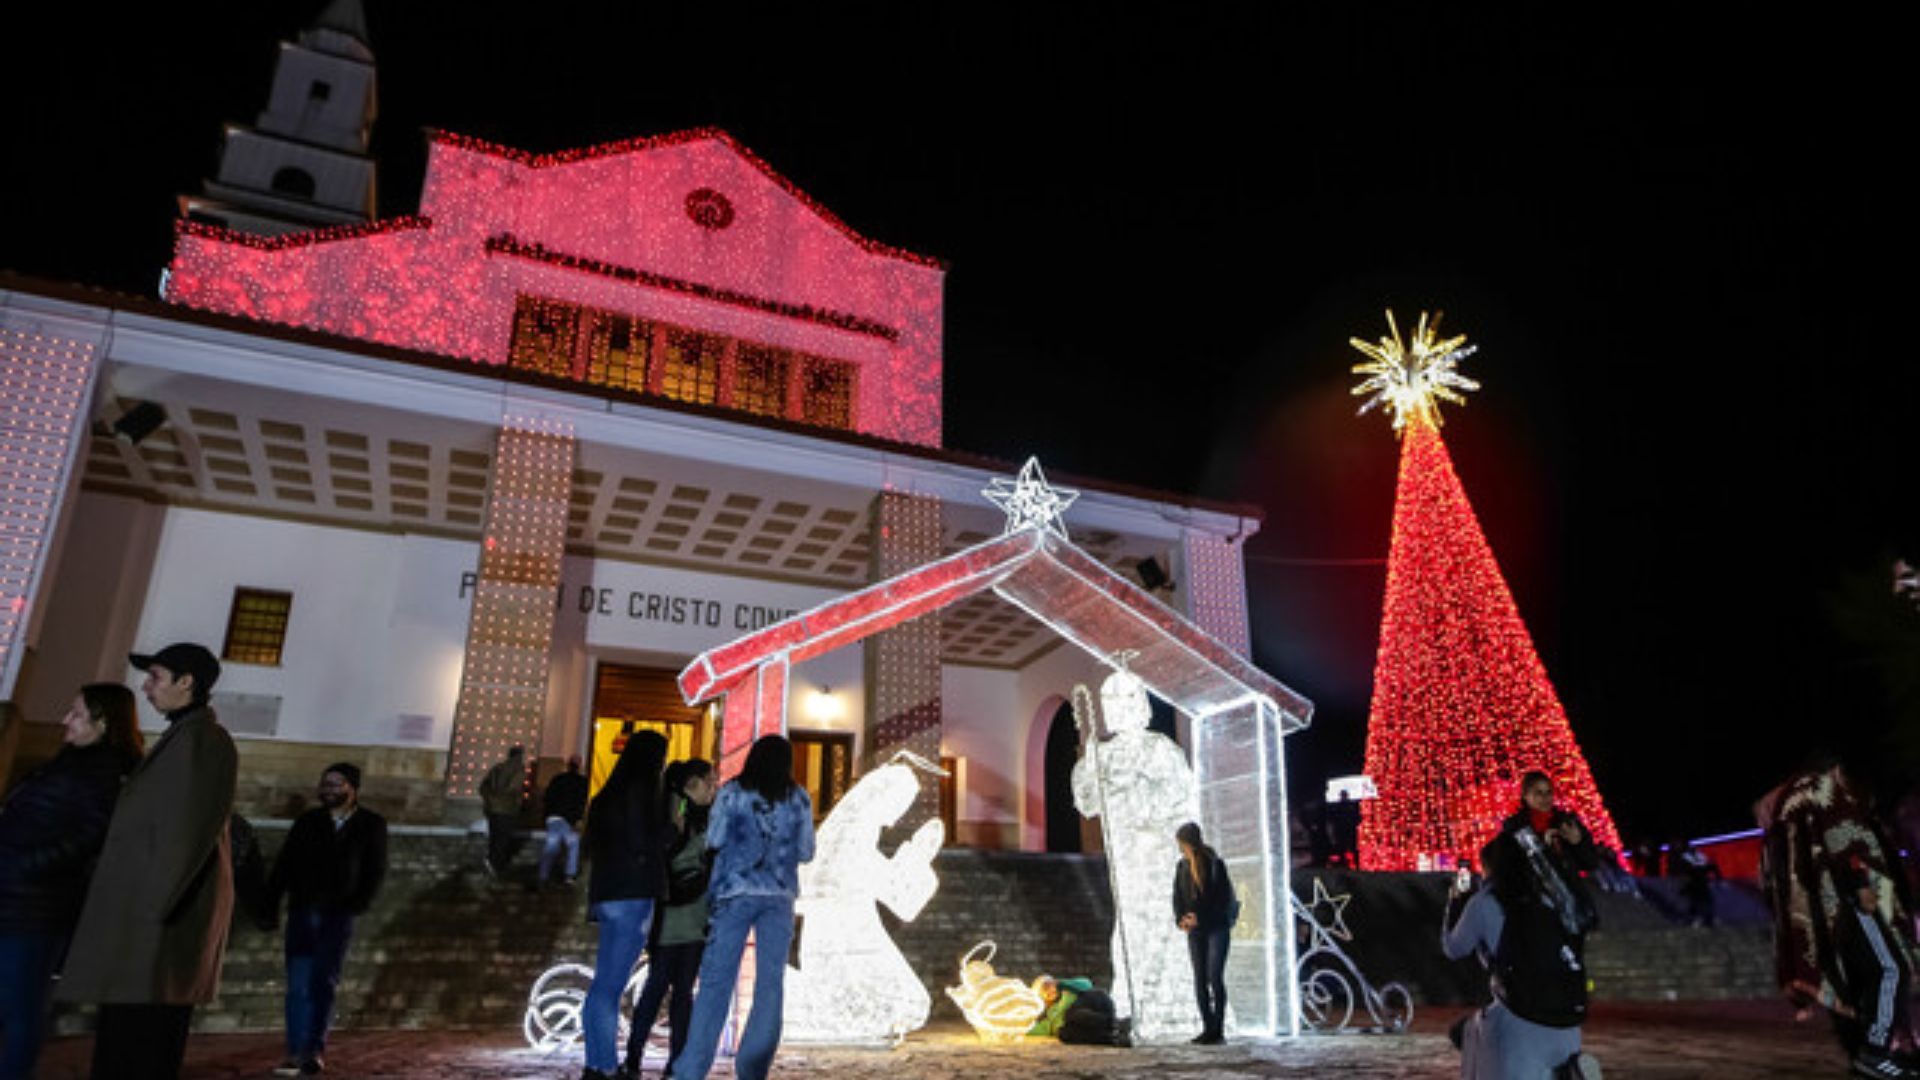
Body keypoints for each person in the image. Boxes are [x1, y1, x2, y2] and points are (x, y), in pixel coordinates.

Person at [56, 643, 238, 1080]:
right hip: (144, 928)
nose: (146, 687)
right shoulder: (185, 736)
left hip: (154, 934)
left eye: (156, 677)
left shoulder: (203, 741)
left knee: (139, 1047)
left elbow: (185, 836)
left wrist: (144, 920)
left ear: (186, 682)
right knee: (125, 1041)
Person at [0, 684, 143, 1080]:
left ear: (104, 724)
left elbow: (88, 838)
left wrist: (22, 865)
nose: (66, 720)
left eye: (77, 714)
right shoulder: (72, 761)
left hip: (34, 908)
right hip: (16, 898)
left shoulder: (102, 773)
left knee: (20, 1007)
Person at [669, 735, 815, 1080]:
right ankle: (752, 1067)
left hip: (734, 892)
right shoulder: (798, 798)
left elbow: (715, 838)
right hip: (779, 896)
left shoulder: (733, 792)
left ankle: (691, 1069)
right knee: (770, 984)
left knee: (715, 982)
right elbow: (807, 851)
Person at [1763, 760, 1920, 1078]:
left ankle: (1878, 1051)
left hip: (1844, 904)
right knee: (1891, 970)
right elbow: (1843, 840)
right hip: (1854, 901)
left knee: (1867, 979)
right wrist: (1859, 883)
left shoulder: (1824, 797)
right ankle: (1874, 1053)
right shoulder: (1830, 793)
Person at [1071, 664, 1202, 1041]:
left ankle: (1171, 1004)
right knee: (1128, 927)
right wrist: (1088, 769)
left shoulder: (1160, 749)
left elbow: (1181, 800)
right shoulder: (1104, 753)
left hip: (1157, 854)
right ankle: (1130, 1001)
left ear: (1140, 703)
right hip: (1126, 856)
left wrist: (1135, 791)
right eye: (1110, 700)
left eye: (1126, 698)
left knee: (1162, 925)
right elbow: (1087, 803)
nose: (1118, 707)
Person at [1442, 826, 1599, 1079]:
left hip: (1521, 1018)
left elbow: (1454, 948)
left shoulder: (1484, 901)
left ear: (1489, 868)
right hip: (1568, 1021)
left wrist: (1455, 902)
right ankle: (1571, 1071)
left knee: (1475, 1033)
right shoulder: (1550, 898)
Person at [264, 763, 389, 1076]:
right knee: (298, 984)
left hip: (337, 916)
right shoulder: (308, 822)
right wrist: (271, 903)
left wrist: (357, 904)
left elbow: (374, 869)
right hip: (303, 911)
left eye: (336, 783)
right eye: (326, 783)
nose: (329, 789)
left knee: (323, 983)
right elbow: (285, 864)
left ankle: (313, 1050)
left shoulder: (371, 824)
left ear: (352, 788)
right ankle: (295, 1051)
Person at [580, 731, 670, 1080]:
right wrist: (670, 831)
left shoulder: (606, 797)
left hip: (607, 894)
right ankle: (603, 1066)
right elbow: (642, 843)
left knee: (603, 984)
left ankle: (597, 1061)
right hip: (633, 894)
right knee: (610, 986)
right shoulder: (641, 792)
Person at [621, 759, 718, 1078]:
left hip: (680, 917)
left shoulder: (679, 811)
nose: (713, 788)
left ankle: (639, 1059)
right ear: (691, 785)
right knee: (674, 992)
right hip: (679, 917)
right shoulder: (682, 815)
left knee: (661, 989)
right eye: (708, 782)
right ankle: (669, 1063)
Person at [1172, 820, 1236, 1045]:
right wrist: (1181, 919)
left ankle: (1218, 1028)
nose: (1181, 849)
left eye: (1182, 844)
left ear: (1189, 843)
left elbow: (1221, 900)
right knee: (1200, 978)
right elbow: (1177, 897)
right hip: (1195, 930)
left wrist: (1200, 917)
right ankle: (1208, 1027)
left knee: (1214, 976)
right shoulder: (1182, 867)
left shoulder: (1215, 865)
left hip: (1216, 927)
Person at [1027, 974, 1126, 1045]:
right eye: (1044, 990)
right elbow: (1033, 1030)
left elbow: (1086, 984)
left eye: (1049, 985)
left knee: (1072, 1012)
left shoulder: (1069, 990)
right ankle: (1111, 1036)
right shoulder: (1050, 1017)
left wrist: (1061, 984)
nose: (1049, 991)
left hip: (1095, 1005)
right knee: (1065, 1034)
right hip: (1082, 1025)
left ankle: (1112, 1024)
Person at [538, 754, 589, 888]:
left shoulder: (558, 779)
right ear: (580, 766)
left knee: (552, 845)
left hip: (554, 817)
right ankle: (569, 875)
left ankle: (544, 875)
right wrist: (578, 818)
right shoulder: (582, 782)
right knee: (573, 844)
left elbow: (548, 798)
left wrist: (545, 816)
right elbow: (581, 802)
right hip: (569, 819)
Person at [479, 745, 529, 879]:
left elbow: (483, 786)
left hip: (492, 808)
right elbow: (514, 788)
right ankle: (496, 865)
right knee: (503, 839)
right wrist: (518, 803)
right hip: (507, 809)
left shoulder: (497, 768)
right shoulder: (519, 769)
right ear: (519, 756)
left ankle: (490, 860)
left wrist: (491, 799)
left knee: (494, 836)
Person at [1670, 838, 1720, 927]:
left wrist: (1716, 875)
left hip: (1702, 882)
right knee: (1695, 901)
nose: (1694, 849)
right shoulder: (1684, 857)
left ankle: (1709, 917)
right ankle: (1696, 918)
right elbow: (1684, 870)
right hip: (1693, 882)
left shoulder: (1701, 856)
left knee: (1707, 900)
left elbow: (1709, 866)